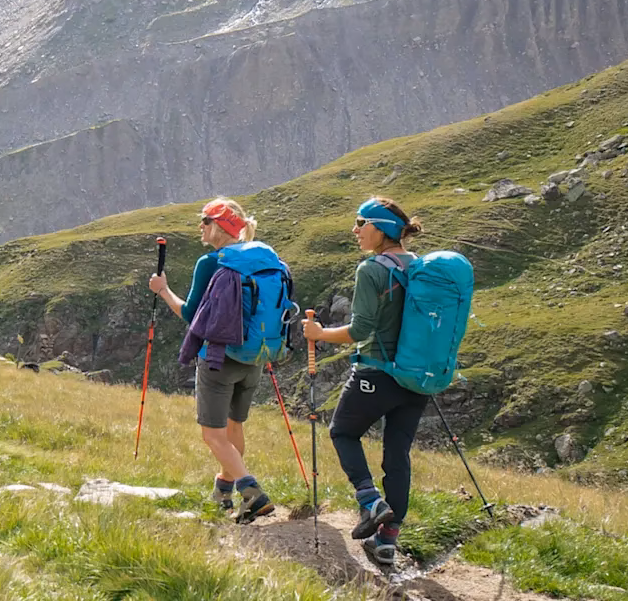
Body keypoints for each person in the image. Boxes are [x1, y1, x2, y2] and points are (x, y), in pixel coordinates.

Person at [302, 196, 428, 568]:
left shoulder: (372, 269)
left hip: (377, 371)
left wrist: (319, 332)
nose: (354, 230)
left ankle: (370, 502)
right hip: (417, 376)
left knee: (342, 432)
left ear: (381, 229)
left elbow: (360, 330)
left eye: (361, 223)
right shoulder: (420, 266)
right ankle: (387, 541)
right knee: (397, 453)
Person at [148, 197, 286, 522]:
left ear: (219, 226)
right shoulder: (261, 257)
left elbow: (191, 314)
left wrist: (163, 291)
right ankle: (223, 490)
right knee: (235, 427)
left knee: (212, 434)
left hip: (218, 358)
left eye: (205, 221)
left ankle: (251, 493)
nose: (201, 226)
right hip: (253, 356)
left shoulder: (211, 262)